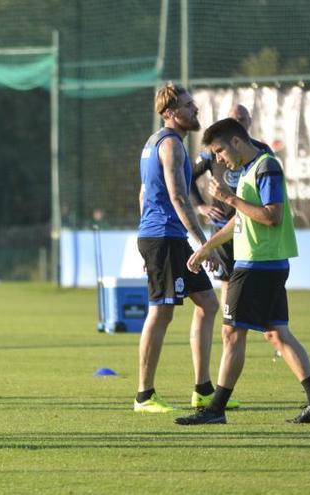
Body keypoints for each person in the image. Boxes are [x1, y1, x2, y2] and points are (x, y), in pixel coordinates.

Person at [175, 118, 310, 425]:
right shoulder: (247, 171)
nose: (218, 159)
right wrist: (207, 247)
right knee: (277, 334)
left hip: (257, 264)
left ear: (236, 142)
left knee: (231, 332)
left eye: (220, 150)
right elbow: (241, 221)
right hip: (264, 262)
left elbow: (271, 216)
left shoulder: (265, 167)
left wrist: (230, 199)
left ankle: (215, 409)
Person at [135, 83, 231, 414]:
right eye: (189, 106)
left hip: (161, 237)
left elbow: (143, 195)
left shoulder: (153, 143)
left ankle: (203, 390)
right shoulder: (171, 145)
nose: (196, 110)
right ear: (171, 113)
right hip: (164, 237)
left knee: (206, 303)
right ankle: (144, 396)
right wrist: (206, 245)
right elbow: (178, 197)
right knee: (161, 312)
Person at [190, 104, 273, 300]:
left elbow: (272, 203)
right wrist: (200, 206)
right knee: (228, 283)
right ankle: (230, 328)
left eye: (242, 120)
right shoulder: (212, 152)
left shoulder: (262, 151)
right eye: (233, 120)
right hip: (222, 227)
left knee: (255, 287)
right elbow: (188, 177)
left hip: (252, 226)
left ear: (250, 121)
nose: (238, 123)